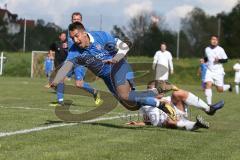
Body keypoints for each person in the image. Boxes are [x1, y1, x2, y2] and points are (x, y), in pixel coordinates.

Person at [49, 22, 224, 119]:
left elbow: (124, 46)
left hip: (119, 66)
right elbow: (66, 66)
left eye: (76, 36)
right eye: (72, 38)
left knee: (125, 96)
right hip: (107, 76)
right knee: (130, 105)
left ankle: (161, 103)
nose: (75, 40)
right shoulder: (75, 50)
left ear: (83, 32)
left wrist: (115, 58)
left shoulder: (102, 37)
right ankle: (158, 91)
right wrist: (56, 81)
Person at [127, 80, 224, 131]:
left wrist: (166, 100)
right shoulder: (145, 104)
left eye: (157, 89)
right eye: (151, 90)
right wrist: (138, 123)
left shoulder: (168, 98)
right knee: (169, 121)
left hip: (177, 113)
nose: (157, 91)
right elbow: (148, 122)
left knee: (177, 93)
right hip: (166, 121)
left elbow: (176, 93)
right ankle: (196, 124)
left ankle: (208, 108)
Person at [204, 35, 232, 105]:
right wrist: (204, 60)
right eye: (212, 39)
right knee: (208, 84)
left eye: (215, 40)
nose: (214, 41)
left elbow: (226, 60)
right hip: (209, 70)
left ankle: (229, 86)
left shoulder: (221, 49)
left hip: (218, 72)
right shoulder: (207, 49)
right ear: (210, 40)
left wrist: (219, 60)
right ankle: (209, 105)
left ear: (217, 41)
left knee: (219, 90)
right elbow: (207, 58)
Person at [49, 31, 68, 104]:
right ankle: (59, 89)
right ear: (60, 37)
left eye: (65, 36)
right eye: (62, 36)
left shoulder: (68, 44)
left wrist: (66, 48)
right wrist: (51, 55)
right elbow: (50, 48)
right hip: (57, 64)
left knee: (61, 80)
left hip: (65, 64)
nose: (63, 37)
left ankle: (60, 99)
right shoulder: (56, 43)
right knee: (58, 81)